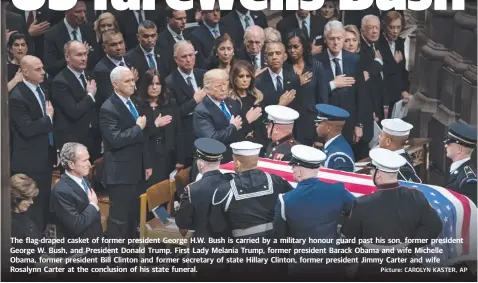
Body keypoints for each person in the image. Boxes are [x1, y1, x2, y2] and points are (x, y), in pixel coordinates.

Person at [341, 148, 442, 278]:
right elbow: (435, 226)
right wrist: (410, 248)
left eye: (372, 170)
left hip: (372, 270)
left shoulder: (362, 204)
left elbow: (350, 238)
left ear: (378, 175)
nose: (371, 174)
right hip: (405, 268)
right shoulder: (416, 196)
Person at [209, 141, 293, 276]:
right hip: (274, 246)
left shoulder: (225, 190)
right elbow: (291, 205)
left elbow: (216, 226)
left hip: (244, 251)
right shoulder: (277, 181)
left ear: (236, 163)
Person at [274, 145, 355, 276]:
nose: (292, 170)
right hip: (333, 264)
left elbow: (281, 238)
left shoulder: (285, 200)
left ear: (299, 171)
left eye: (293, 167)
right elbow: (357, 212)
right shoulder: (338, 191)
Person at [99, 66, 152, 253]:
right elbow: (114, 140)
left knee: (133, 216)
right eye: (128, 81)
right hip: (120, 173)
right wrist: (137, 128)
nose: (133, 84)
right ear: (115, 84)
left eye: (133, 80)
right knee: (119, 218)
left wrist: (147, 164)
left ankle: (129, 253)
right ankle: (116, 257)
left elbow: (142, 139)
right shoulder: (108, 108)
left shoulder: (134, 103)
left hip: (136, 169)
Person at [9, 55, 56, 232]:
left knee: (43, 200)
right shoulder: (17, 97)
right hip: (29, 161)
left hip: (44, 157)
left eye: (42, 67)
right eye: (38, 69)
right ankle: (31, 245)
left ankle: (41, 239)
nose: (43, 72)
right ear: (25, 72)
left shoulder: (41, 89)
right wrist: (48, 118)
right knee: (31, 206)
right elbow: (28, 129)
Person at [176, 138, 233, 275]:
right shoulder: (232, 182)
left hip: (204, 250)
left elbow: (182, 222)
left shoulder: (192, 190)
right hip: (230, 247)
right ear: (219, 162)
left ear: (200, 164)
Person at [51, 40, 100, 167]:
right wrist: (89, 96)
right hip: (73, 142)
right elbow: (73, 111)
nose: (84, 58)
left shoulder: (90, 75)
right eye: (79, 55)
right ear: (67, 57)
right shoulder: (60, 82)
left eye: (85, 54)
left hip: (92, 138)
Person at [50, 143, 103, 255]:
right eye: (84, 161)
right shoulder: (61, 191)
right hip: (78, 254)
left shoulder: (83, 179)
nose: (89, 164)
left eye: (88, 159)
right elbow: (76, 225)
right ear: (71, 164)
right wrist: (93, 205)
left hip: (94, 246)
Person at [315, 20, 361, 145]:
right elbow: (314, 93)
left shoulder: (355, 60)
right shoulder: (316, 61)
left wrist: (359, 124)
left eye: (339, 38)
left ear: (343, 38)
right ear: (325, 39)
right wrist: (333, 84)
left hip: (349, 122)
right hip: (326, 122)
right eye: (332, 39)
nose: (336, 42)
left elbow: (361, 95)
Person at [138, 69, 184, 185]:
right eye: (151, 84)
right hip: (149, 158)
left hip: (169, 157)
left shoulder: (171, 104)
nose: (154, 87)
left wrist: (180, 159)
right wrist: (155, 125)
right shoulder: (139, 106)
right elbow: (140, 136)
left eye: (158, 84)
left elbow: (178, 132)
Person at [165, 40, 207, 168]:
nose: (188, 59)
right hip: (187, 139)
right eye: (184, 57)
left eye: (191, 55)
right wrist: (194, 101)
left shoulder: (203, 75)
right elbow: (174, 114)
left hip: (207, 131)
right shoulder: (169, 82)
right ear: (176, 59)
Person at [285, 29, 328, 145]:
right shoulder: (284, 68)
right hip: (289, 122)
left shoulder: (316, 66)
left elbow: (323, 100)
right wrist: (297, 82)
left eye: (296, 47)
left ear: (303, 46)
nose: (292, 51)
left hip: (310, 122)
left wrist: (319, 136)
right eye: (289, 47)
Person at [193, 69, 242, 163]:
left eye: (225, 84)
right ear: (207, 89)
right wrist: (232, 127)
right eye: (218, 86)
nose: (223, 89)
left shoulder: (232, 103)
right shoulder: (202, 110)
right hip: (214, 162)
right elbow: (211, 140)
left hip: (235, 158)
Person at [43, 1, 101, 78]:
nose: (83, 15)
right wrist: (73, 57)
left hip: (89, 77)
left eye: (84, 11)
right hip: (64, 79)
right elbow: (50, 67)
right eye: (78, 12)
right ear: (67, 12)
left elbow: (97, 57)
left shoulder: (89, 29)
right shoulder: (52, 34)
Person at [228, 60, 266, 148]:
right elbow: (231, 132)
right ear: (234, 78)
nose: (245, 80)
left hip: (259, 145)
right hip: (239, 146)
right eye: (241, 76)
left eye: (248, 76)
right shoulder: (229, 101)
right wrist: (247, 120)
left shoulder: (257, 97)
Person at [93, 29, 136, 107]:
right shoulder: (102, 70)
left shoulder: (131, 59)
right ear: (104, 47)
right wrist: (132, 82)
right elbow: (111, 98)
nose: (119, 47)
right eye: (113, 45)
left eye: (121, 43)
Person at [380, 11, 409, 117]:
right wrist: (394, 61)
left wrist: (405, 90)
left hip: (396, 96)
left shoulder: (400, 42)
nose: (395, 31)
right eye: (391, 27)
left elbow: (403, 70)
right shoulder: (378, 44)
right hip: (382, 97)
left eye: (398, 27)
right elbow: (380, 72)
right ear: (385, 26)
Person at [255, 42, 300, 110]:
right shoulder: (258, 82)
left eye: (278, 53)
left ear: (285, 57)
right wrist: (280, 105)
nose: (274, 57)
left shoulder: (294, 79)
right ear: (265, 58)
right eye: (270, 54)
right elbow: (259, 112)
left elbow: (298, 106)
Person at [315, 104, 355, 172]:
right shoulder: (333, 145)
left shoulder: (339, 157)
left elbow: (341, 182)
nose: (316, 125)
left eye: (319, 122)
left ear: (328, 128)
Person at [444, 122, 477, 204]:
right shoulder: (458, 170)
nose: (445, 145)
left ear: (459, 149)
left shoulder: (469, 181)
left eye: (448, 143)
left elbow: (469, 212)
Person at [379, 118, 421, 183]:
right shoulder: (397, 158)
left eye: (381, 136)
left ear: (388, 141)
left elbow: (414, 187)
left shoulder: (399, 165)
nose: (379, 137)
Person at [125, 20, 166, 87]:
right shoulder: (129, 58)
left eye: (153, 36)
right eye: (146, 36)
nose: (150, 40)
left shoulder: (164, 53)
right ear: (138, 37)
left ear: (157, 35)